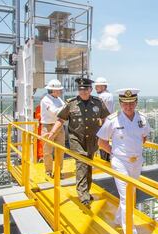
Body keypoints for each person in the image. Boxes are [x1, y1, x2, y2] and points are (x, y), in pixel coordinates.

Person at [44, 77, 110, 206]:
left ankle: (87, 190)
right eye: (81, 89)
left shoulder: (98, 103)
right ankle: (83, 195)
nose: (83, 92)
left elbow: (105, 118)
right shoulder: (71, 103)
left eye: (86, 89)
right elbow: (61, 119)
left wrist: (106, 134)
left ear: (91, 90)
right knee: (82, 162)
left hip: (92, 139)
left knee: (88, 164)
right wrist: (52, 133)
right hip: (76, 139)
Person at [97, 88, 150, 234]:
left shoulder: (142, 119)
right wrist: (115, 154)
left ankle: (119, 218)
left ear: (136, 103)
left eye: (131, 103)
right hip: (120, 162)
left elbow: (144, 137)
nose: (128, 106)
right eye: (125, 103)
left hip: (137, 161)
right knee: (127, 197)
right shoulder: (113, 120)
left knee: (130, 194)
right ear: (120, 103)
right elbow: (101, 142)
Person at [40, 79, 66, 178]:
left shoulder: (58, 99)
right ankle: (48, 171)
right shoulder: (46, 100)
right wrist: (66, 108)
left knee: (60, 150)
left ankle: (58, 171)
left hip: (58, 126)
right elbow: (55, 112)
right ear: (53, 90)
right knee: (47, 151)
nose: (60, 91)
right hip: (48, 127)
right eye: (59, 90)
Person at [95, 77, 114, 162]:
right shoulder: (109, 94)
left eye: (97, 86)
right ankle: (107, 160)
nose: (95, 88)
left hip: (103, 122)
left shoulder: (103, 96)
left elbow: (97, 110)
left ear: (103, 87)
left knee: (102, 143)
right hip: (108, 121)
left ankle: (105, 161)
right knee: (105, 143)